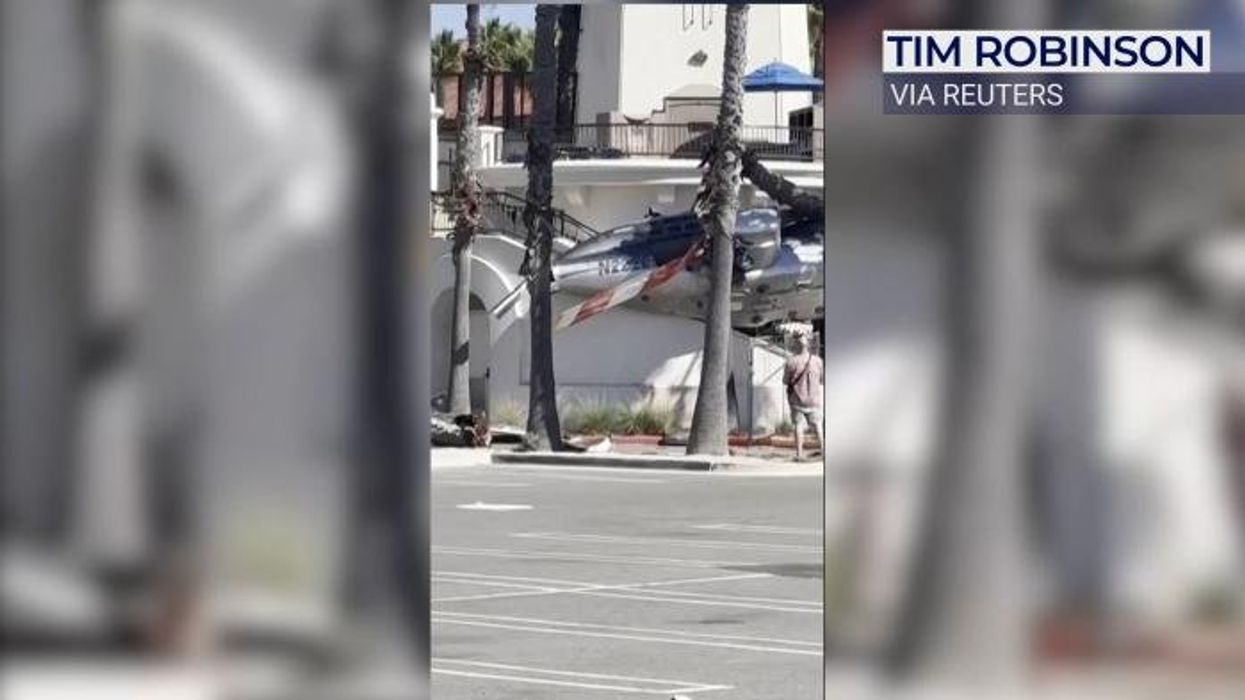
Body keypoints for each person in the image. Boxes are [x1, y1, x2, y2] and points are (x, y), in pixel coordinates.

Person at [783, 332, 823, 461]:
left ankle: (799, 454)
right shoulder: (818, 361)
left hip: (797, 400)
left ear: (795, 345)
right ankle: (823, 451)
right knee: (818, 425)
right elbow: (821, 380)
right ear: (809, 345)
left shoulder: (791, 362)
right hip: (814, 399)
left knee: (798, 425)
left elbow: (785, 381)